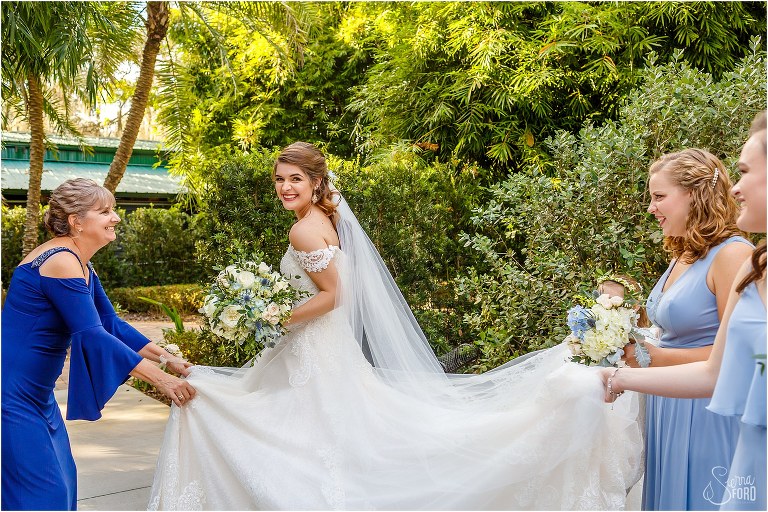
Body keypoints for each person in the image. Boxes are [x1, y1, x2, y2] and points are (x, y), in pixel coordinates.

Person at [149, 142, 644, 510]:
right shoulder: (328, 217)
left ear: (316, 182)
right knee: (322, 437)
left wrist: (271, 314)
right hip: (326, 348)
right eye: (279, 179)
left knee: (292, 433)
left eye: (294, 179)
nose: (284, 188)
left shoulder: (304, 227)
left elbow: (332, 295)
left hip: (315, 347)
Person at [603, 111, 767, 511]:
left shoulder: (735, 256)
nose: (651, 208)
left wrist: (648, 361)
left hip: (707, 412)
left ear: (694, 194)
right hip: (669, 405)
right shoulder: (682, 257)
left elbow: (733, 357)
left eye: (659, 196)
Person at [1, 178, 197, 511]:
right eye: (104, 211)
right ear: (77, 221)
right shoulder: (59, 260)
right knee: (42, 496)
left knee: (62, 488)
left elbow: (112, 325)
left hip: (36, 395)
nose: (116, 218)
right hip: (11, 394)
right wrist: (163, 382)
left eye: (114, 209)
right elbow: (92, 336)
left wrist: (169, 360)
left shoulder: (80, 262)